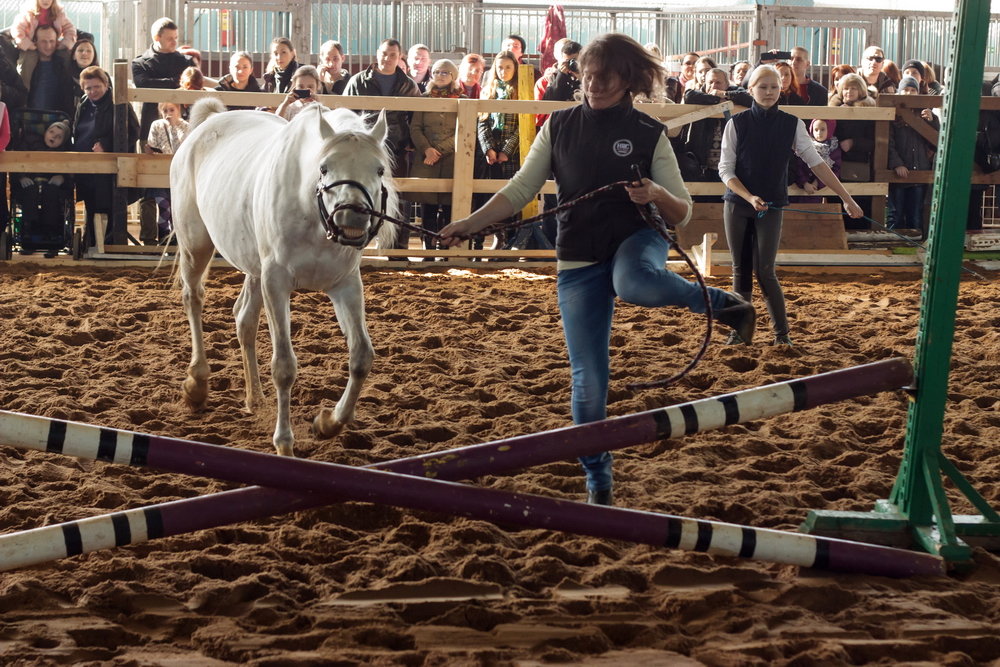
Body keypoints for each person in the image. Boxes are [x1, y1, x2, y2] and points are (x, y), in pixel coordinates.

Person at [439, 34, 757, 506]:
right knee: (588, 381)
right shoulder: (560, 126)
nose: (592, 82)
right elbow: (522, 187)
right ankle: (599, 479)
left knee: (632, 282)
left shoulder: (650, 134)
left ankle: (717, 303)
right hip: (578, 253)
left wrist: (655, 195)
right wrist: (468, 223)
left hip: (636, 238)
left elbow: (682, 211)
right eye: (587, 74)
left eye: (603, 75)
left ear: (626, 79)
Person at [720, 64, 862, 347]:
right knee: (740, 268)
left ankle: (781, 333)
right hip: (739, 204)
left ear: (781, 89)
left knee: (766, 270)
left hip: (771, 204)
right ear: (751, 90)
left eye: (774, 86)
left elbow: (817, 164)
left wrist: (846, 197)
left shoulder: (792, 124)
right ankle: (740, 331)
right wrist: (749, 197)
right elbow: (726, 170)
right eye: (763, 87)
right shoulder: (736, 123)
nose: (769, 92)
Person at [343, 38, 420, 250]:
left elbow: (416, 117)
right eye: (384, 54)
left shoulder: (408, 85)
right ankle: (360, 239)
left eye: (393, 55)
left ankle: (397, 247)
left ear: (400, 57)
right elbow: (346, 113)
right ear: (377, 54)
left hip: (397, 150)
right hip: (364, 150)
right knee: (363, 190)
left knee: (399, 196)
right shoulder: (358, 81)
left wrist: (411, 143)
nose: (387, 58)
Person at [132, 17, 192, 245]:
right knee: (148, 184)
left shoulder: (184, 61)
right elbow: (142, 85)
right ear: (157, 38)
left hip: (180, 129)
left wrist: (162, 83)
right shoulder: (141, 62)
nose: (174, 42)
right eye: (169, 39)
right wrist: (173, 83)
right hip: (149, 127)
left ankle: (178, 236)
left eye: (176, 38)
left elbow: (188, 85)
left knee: (180, 183)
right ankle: (148, 237)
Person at [73, 65, 139, 247]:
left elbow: (134, 131)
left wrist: (108, 145)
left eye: (96, 87)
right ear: (83, 88)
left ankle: (110, 244)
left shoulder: (119, 103)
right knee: (91, 205)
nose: (93, 91)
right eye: (88, 88)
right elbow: (78, 131)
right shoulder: (84, 104)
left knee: (108, 206)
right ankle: (92, 243)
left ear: (106, 84)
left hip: (111, 166)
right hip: (87, 165)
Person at [410, 59, 465, 255]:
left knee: (450, 207)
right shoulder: (423, 99)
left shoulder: (463, 100)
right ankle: (429, 248)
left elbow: (464, 130)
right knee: (428, 209)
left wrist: (439, 150)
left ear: (453, 76)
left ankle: (446, 248)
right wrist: (427, 149)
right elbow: (415, 128)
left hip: (452, 161)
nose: (440, 76)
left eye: (445, 72)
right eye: (437, 72)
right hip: (427, 162)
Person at [476, 50, 523, 250]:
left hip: (512, 153)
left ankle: (512, 238)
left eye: (508, 67)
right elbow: (482, 122)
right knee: (492, 195)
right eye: (500, 67)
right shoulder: (488, 90)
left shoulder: (521, 90)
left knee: (512, 195)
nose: (503, 71)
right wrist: (489, 149)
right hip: (493, 154)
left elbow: (524, 125)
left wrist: (507, 150)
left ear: (515, 69)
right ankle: (498, 237)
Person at [11, 119, 69, 257]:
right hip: (30, 183)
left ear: (63, 141)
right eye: (51, 132)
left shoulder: (65, 152)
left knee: (51, 192)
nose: (53, 137)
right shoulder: (30, 144)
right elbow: (16, 162)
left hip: (52, 187)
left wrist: (62, 177)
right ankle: (29, 232)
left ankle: (52, 235)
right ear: (45, 132)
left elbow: (71, 173)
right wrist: (21, 177)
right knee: (30, 190)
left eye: (58, 136)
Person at [683, 68, 752, 182]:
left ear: (727, 84)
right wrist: (716, 100)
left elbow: (749, 99)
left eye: (718, 82)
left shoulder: (735, 92)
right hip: (703, 166)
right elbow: (688, 96)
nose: (714, 86)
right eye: (710, 82)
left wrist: (724, 94)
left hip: (732, 166)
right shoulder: (699, 94)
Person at [888, 76, 938, 232]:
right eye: (905, 89)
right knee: (895, 215)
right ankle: (893, 248)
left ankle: (913, 248)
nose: (909, 93)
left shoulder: (926, 114)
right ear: (899, 92)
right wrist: (897, 164)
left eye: (912, 90)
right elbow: (888, 143)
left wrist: (931, 121)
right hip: (898, 175)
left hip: (919, 174)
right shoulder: (893, 116)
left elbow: (937, 143)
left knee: (915, 215)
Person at [144, 101, 187, 240]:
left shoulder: (186, 126)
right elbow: (153, 144)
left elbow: (183, 147)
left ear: (178, 110)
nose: (168, 114)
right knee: (164, 206)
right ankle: (163, 239)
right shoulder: (156, 125)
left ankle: (176, 239)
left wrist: (173, 126)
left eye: (171, 110)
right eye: (165, 111)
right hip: (161, 171)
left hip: (180, 171)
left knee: (177, 208)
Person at [10, 0, 75, 86]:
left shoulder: (59, 13)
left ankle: (68, 90)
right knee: (27, 61)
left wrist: (64, 43)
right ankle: (23, 91)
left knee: (66, 57)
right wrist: (27, 44)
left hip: (52, 46)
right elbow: (17, 29)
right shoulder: (28, 13)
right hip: (32, 46)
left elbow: (70, 29)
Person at [24, 23, 75, 118]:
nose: (48, 46)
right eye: (43, 41)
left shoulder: (64, 64)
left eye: (52, 41)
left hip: (58, 119)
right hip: (30, 119)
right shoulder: (28, 66)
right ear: (35, 42)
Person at [793, 119, 841, 202]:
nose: (819, 133)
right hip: (799, 189)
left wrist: (817, 182)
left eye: (823, 129)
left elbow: (835, 170)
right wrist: (804, 182)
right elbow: (797, 166)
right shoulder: (804, 145)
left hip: (817, 190)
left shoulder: (834, 149)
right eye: (816, 130)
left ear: (829, 129)